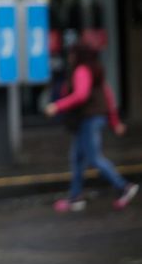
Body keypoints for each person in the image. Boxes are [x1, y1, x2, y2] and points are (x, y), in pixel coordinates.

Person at [45, 43, 138, 212]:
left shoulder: (81, 71)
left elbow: (81, 95)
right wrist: (114, 121)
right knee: (78, 158)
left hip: (88, 119)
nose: (69, 57)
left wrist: (58, 106)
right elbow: (108, 96)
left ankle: (124, 186)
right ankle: (75, 197)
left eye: (72, 54)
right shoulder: (95, 70)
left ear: (77, 55)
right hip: (92, 119)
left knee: (94, 158)